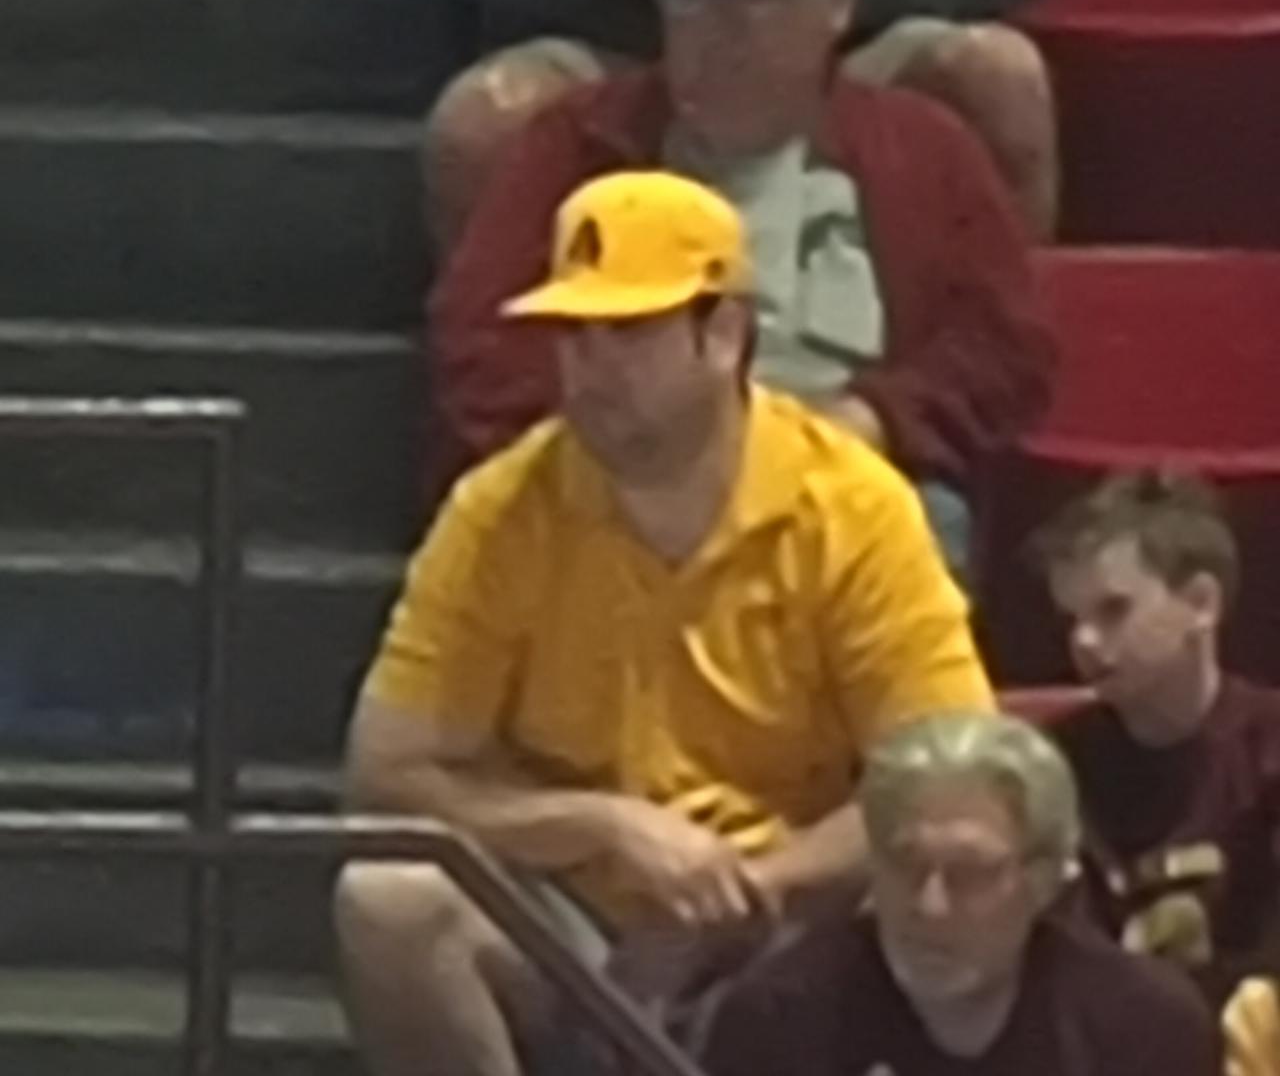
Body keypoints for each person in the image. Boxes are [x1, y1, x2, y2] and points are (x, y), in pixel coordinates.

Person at [334, 170, 995, 1076]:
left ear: (723, 333)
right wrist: (599, 828)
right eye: (574, 336)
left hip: (789, 929)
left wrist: (747, 888)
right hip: (568, 922)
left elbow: (946, 779)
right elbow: (386, 775)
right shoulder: (500, 509)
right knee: (388, 903)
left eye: (630, 332)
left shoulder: (854, 509)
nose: (592, 368)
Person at [426, 0, 1055, 577]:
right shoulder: (574, 147)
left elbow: (1003, 349)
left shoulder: (921, 150)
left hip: (846, 478)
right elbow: (482, 342)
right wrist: (615, 441)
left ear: (834, 1)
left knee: (924, 529)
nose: (725, 22)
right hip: (625, 484)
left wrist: (878, 419)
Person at [425, 0, 1059, 244]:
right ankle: (527, 427)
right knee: (480, 125)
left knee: (996, 78)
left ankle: (978, 411)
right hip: (624, 41)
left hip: (851, 41)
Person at [699, 711, 1222, 1076]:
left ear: (1044, 882)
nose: (929, 905)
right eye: (904, 864)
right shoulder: (775, 1021)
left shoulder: (1145, 1028)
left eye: (969, 874)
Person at [1031, 470, 1280, 1011]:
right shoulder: (1047, 763)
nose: (1084, 640)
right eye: (1072, 618)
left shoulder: (1268, 750)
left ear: (1201, 603)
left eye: (1114, 610)